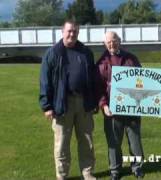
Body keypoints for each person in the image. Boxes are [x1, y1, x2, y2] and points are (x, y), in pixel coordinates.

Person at [39, 20, 97, 180]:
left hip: (84, 103)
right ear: (62, 31)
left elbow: (92, 79)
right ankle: (62, 175)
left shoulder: (86, 52)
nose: (72, 34)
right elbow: (45, 81)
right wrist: (47, 106)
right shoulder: (52, 53)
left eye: (75, 31)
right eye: (69, 31)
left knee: (86, 141)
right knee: (62, 143)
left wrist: (93, 102)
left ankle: (87, 172)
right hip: (62, 104)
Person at [95, 31, 144, 180]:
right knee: (114, 142)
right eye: (108, 42)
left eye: (114, 40)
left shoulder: (131, 58)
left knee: (135, 140)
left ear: (119, 40)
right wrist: (103, 105)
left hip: (132, 108)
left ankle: (137, 167)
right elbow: (99, 87)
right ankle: (115, 170)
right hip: (112, 109)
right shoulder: (101, 63)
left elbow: (142, 80)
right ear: (105, 44)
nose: (112, 44)